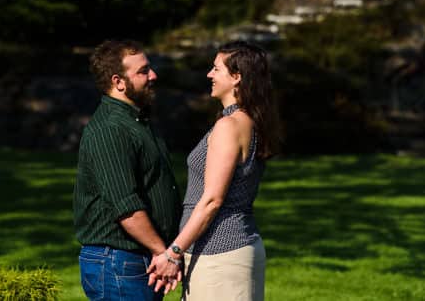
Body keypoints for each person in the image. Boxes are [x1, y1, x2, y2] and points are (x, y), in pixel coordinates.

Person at [147, 40, 281, 300]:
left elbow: (211, 200)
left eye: (216, 69)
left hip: (220, 254)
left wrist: (173, 253)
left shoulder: (230, 126)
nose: (209, 74)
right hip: (228, 253)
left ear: (236, 77)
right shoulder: (247, 120)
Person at [73, 39, 184, 300]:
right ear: (118, 81)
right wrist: (165, 253)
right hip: (118, 261)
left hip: (134, 259)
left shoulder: (135, 121)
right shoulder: (111, 128)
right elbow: (127, 207)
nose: (153, 75)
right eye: (143, 71)